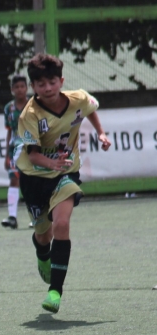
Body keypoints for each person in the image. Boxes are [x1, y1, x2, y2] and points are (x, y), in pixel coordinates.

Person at [16, 53, 110, 313]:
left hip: (66, 173)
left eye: (52, 82)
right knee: (43, 234)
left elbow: (90, 108)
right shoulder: (30, 114)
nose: (48, 88)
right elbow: (33, 155)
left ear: (61, 81)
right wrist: (51, 163)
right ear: (33, 87)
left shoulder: (78, 98)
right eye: (41, 84)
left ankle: (55, 290)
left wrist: (101, 133)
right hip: (34, 178)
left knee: (62, 224)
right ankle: (42, 254)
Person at [1, 75, 29, 230]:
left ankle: (36, 217)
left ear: (27, 88)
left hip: (31, 149)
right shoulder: (8, 108)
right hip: (14, 150)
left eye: (22, 86)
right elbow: (9, 131)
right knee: (14, 180)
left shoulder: (33, 105)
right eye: (16, 87)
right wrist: (7, 154)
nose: (19, 90)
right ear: (12, 89)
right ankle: (12, 217)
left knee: (32, 182)